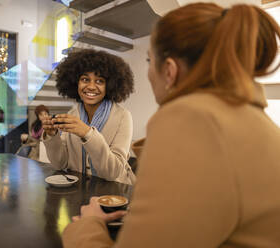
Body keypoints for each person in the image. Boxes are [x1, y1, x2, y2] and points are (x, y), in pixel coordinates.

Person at [61, 3, 280, 248]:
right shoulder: (254, 120)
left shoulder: (190, 120)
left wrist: (86, 226)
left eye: (148, 60)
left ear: (169, 70)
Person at [42, 49, 136, 185]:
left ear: (110, 85)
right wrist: (52, 136)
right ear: (76, 82)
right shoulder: (72, 114)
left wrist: (87, 133)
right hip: (79, 190)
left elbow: (113, 172)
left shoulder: (123, 117)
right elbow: (60, 164)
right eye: (85, 79)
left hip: (114, 192)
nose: (91, 87)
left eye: (99, 81)